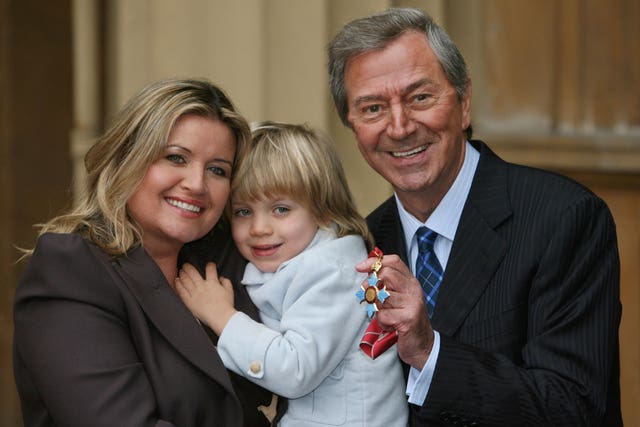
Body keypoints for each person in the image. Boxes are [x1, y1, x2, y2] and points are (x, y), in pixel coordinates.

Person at [328, 7, 622, 426]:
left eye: (420, 97)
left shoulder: (563, 219)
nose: (399, 126)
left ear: (464, 103)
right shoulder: (357, 246)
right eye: (373, 108)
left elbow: (571, 408)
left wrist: (431, 354)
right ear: (353, 127)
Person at [13, 78, 284, 427]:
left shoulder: (224, 261)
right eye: (176, 158)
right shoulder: (72, 268)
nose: (197, 184)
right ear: (128, 159)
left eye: (218, 170)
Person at [175, 121, 409, 426]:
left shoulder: (333, 272)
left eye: (281, 210)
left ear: (323, 209)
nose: (259, 228)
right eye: (243, 211)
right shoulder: (299, 258)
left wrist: (221, 316)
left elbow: (294, 370)